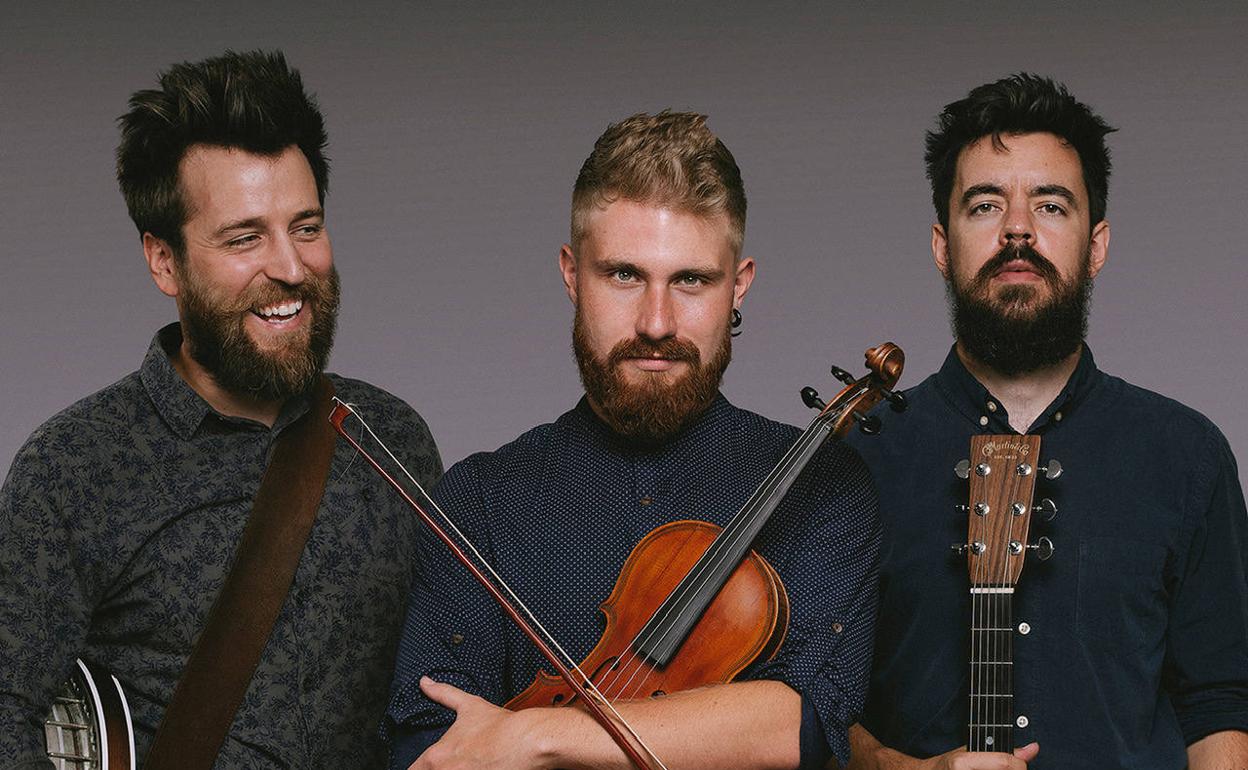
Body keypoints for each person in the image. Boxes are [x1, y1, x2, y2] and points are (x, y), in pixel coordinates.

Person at [383, 111, 880, 770]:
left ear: (739, 285)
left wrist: (540, 735)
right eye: (623, 275)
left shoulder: (823, 487)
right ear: (571, 274)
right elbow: (431, 746)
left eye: (691, 280)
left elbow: (811, 723)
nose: (655, 322)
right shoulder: (478, 501)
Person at [0, 50, 441, 768]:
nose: (291, 268)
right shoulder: (73, 469)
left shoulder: (390, 438)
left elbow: (439, 691)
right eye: (245, 238)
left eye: (306, 227)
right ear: (164, 261)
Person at [844, 74, 1248, 769]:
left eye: (1051, 205)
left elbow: (1222, 704)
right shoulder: (862, 457)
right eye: (985, 205)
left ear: (1096, 245)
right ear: (942, 245)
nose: (1018, 229)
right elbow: (815, 710)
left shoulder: (1187, 455)